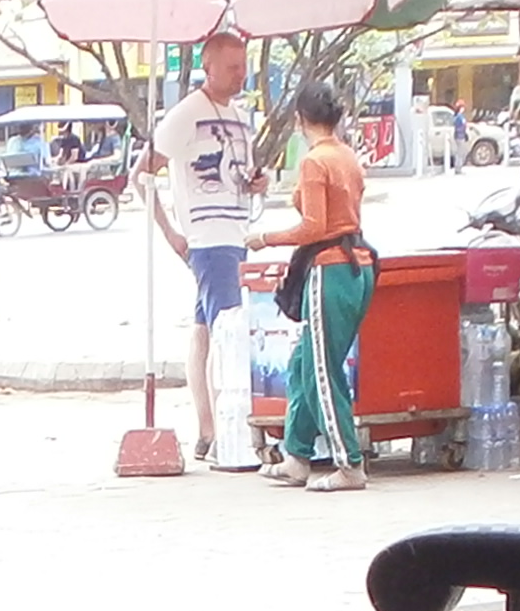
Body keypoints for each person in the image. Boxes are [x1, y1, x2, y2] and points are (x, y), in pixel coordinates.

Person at [136, 27, 259, 469]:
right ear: (207, 67)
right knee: (227, 330)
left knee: (206, 329)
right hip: (208, 236)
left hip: (236, 227)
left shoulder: (241, 116)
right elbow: (142, 173)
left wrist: (256, 183)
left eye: (243, 67)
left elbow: (240, 171)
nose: (239, 76)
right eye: (231, 68)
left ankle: (208, 428)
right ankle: (222, 427)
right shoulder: (187, 113)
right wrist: (171, 231)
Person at [256, 74, 377, 492]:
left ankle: (349, 463)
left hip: (329, 270)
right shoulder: (347, 156)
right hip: (357, 267)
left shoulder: (313, 161)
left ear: (299, 119)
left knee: (323, 372)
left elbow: (314, 226)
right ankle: (297, 453)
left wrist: (264, 239)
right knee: (304, 363)